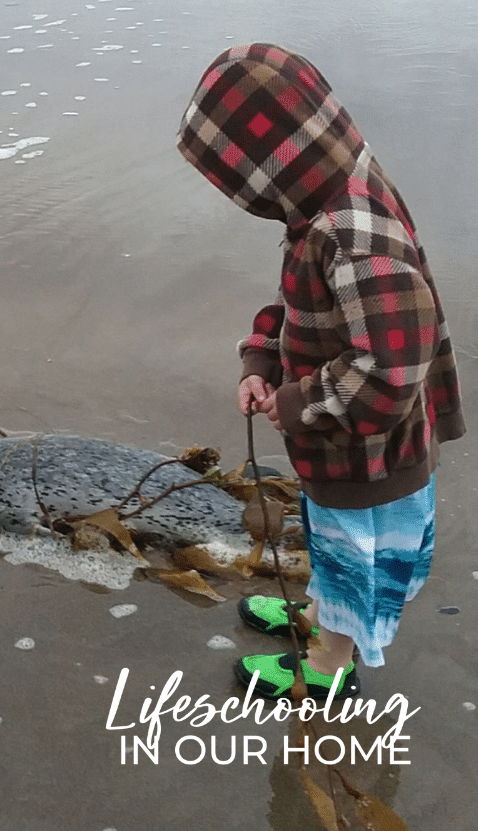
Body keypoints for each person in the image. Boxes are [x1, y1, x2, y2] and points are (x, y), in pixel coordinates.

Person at [176, 43, 465, 699]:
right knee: (330, 545)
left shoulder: (356, 236)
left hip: (372, 462)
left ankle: (330, 668)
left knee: (347, 559)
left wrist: (296, 403)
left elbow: (392, 368)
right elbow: (303, 306)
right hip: (339, 446)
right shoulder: (324, 204)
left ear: (270, 166)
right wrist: (261, 360)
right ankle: (316, 614)